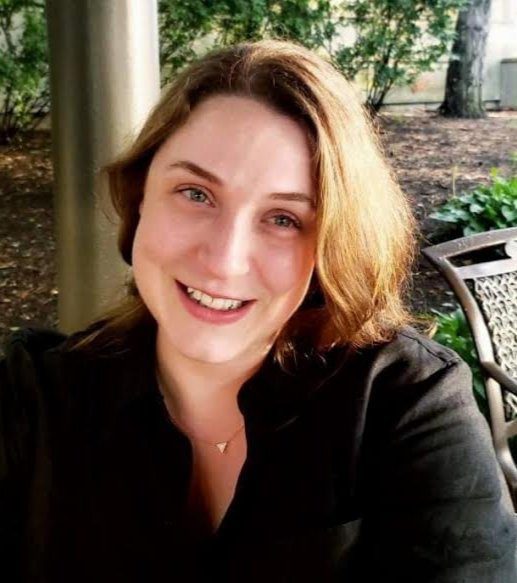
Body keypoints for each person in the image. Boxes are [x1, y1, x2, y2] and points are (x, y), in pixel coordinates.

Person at [1, 39, 515, 583]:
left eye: (284, 219)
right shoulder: (37, 402)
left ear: (331, 246)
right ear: (139, 197)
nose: (224, 261)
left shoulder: (406, 407)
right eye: (195, 193)